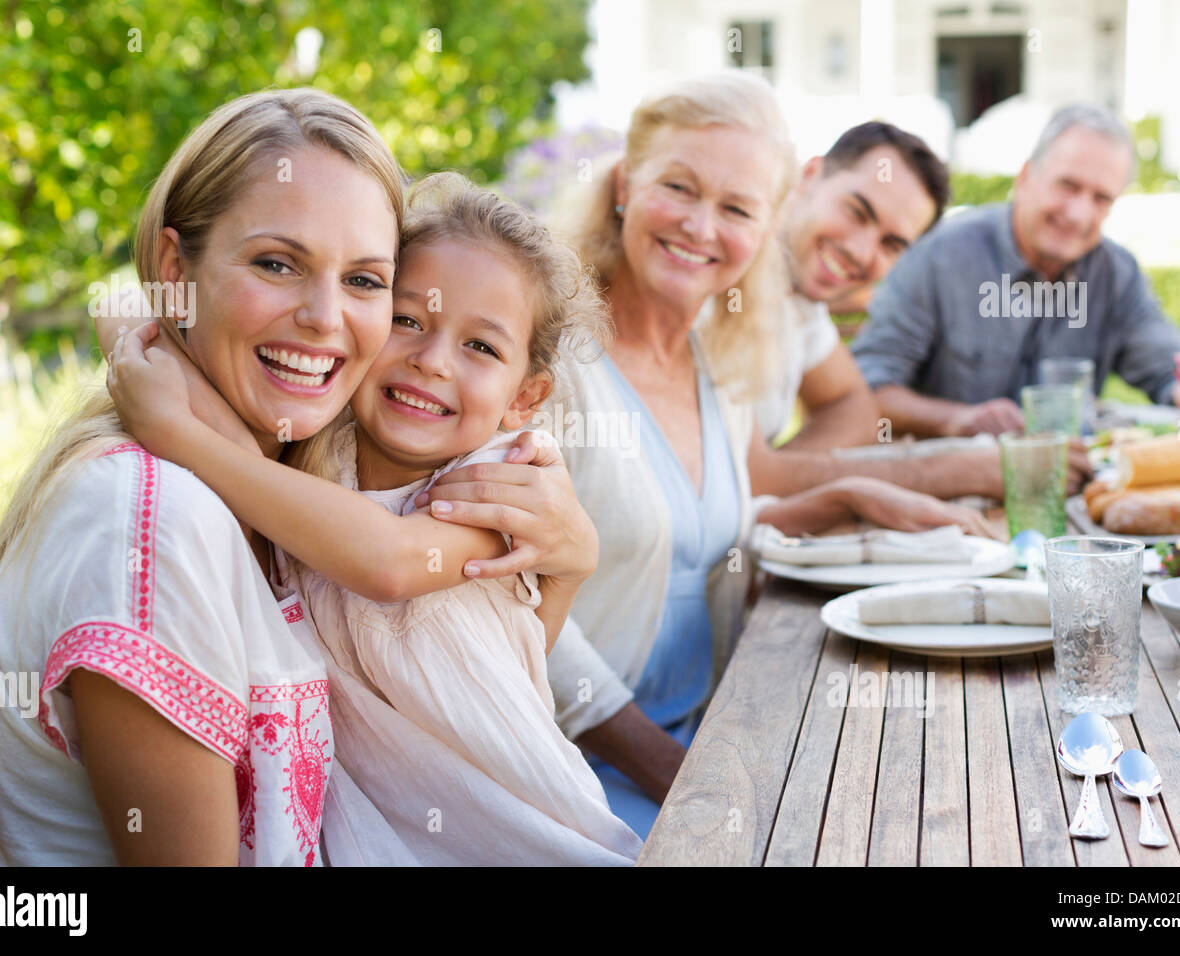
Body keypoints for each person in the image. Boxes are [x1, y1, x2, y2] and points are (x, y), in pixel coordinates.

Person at [0, 89, 592, 866]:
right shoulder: (153, 519)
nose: (323, 317)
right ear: (176, 266)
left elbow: (480, 667)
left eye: (364, 280)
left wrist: (574, 558)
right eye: (277, 263)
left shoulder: (291, 482)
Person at [414, 73, 997, 839]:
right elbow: (497, 598)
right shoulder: (546, 359)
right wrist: (686, 778)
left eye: (736, 209)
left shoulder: (717, 353)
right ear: (625, 184)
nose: (700, 225)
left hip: (698, 734)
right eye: (679, 187)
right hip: (561, 775)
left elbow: (690, 540)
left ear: (764, 230)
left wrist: (843, 502)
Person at [106, 173, 642, 864]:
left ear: (525, 396)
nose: (432, 361)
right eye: (408, 320)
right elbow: (135, 313)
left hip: (523, 837)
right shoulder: (318, 449)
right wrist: (129, 335)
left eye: (481, 347)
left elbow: (388, 564)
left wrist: (176, 435)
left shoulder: (500, 484)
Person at [851, 104, 1180, 439]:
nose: (1078, 214)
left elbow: (1171, 371)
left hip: (1071, 483)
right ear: (1026, 177)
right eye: (1068, 186)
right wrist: (959, 419)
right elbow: (868, 388)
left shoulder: (1117, 274)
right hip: (946, 480)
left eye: (1100, 198)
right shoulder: (939, 257)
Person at [758, 121, 950, 451]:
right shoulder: (722, 272)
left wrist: (781, 470)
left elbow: (858, 414)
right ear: (809, 175)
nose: (861, 253)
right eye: (857, 211)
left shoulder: (800, 302)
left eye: (891, 244)